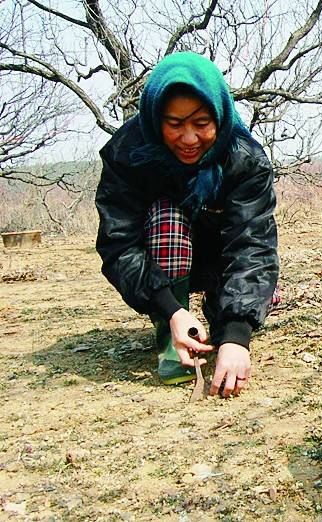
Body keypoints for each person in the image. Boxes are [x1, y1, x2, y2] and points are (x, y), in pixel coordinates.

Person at [95, 51, 279, 397]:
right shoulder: (127, 155)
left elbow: (252, 244)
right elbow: (118, 243)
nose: (190, 139)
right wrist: (171, 311)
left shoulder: (245, 159)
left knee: (245, 305)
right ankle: (172, 338)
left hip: (219, 254)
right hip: (163, 256)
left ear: (219, 117)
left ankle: (226, 314)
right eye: (175, 124)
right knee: (168, 215)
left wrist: (237, 336)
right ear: (155, 118)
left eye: (201, 123)